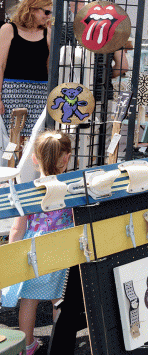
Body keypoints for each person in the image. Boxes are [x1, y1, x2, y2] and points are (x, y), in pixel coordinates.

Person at [2, 131, 73, 355]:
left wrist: (13, 253)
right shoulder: (71, 188)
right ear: (66, 158)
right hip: (63, 248)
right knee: (59, 300)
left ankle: (27, 345)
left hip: (33, 252)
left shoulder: (27, 192)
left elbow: (17, 228)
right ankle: (60, 343)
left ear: (34, 159)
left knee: (29, 300)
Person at [0, 0, 53, 140]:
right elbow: (0, 65)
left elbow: (50, 67)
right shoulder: (8, 29)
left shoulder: (47, 33)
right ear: (32, 9)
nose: (48, 16)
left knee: (37, 138)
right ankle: (11, 164)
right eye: (46, 12)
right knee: (13, 138)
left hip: (40, 91)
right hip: (12, 90)